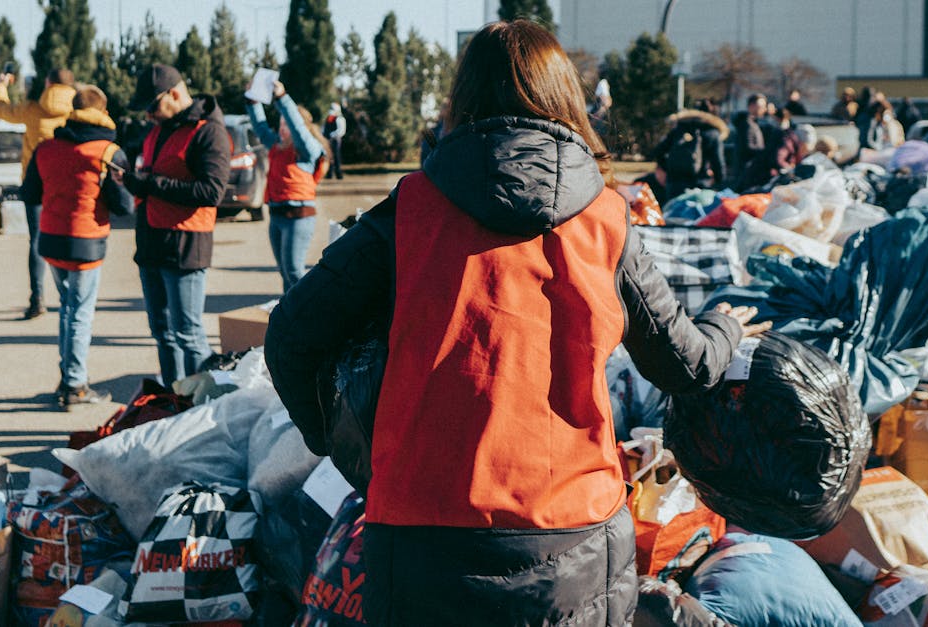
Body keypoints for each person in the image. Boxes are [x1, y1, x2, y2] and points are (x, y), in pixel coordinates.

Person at [264, 19, 768, 625]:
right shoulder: (606, 220)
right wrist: (726, 326)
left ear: (462, 100)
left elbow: (291, 338)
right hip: (573, 536)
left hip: (419, 537)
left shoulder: (408, 211)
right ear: (566, 99)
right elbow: (686, 364)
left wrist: (354, 453)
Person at [21, 85, 134, 408]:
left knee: (67, 308)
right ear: (103, 112)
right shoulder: (108, 152)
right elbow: (124, 205)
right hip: (86, 241)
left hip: (51, 238)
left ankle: (67, 376)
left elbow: (30, 193)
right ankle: (75, 384)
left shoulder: (46, 148)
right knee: (80, 312)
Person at [122, 64, 230, 385]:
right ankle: (174, 398)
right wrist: (133, 181)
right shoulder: (159, 130)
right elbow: (155, 178)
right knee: (162, 333)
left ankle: (201, 405)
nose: (149, 115)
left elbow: (212, 192)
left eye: (152, 106)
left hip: (185, 247)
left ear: (174, 94)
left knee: (187, 334)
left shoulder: (209, 132)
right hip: (151, 243)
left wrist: (151, 184)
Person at [0, 68, 76, 320]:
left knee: (37, 241)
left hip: (36, 184)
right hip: (68, 185)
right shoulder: (77, 111)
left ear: (48, 83)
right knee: (70, 237)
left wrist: (1, 85)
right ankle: (70, 296)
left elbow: (1, 109)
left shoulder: (32, 109)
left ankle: (37, 298)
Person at [246, 81, 330, 293]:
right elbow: (260, 127)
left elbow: (298, 129)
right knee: (285, 272)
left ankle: (308, 308)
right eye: (281, 124)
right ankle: (290, 311)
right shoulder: (276, 146)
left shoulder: (307, 150)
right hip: (276, 215)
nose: (283, 129)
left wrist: (282, 98)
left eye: (287, 125)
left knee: (294, 270)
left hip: (298, 217)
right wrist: (253, 101)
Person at [650, 99, 729, 200]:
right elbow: (718, 163)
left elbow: (658, 152)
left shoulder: (679, 129)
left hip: (675, 184)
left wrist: (668, 169)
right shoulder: (713, 133)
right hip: (701, 185)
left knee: (674, 208)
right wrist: (720, 185)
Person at [732, 93, 768, 185]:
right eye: (761, 106)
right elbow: (747, 147)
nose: (764, 109)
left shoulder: (752, 123)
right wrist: (765, 152)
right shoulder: (747, 124)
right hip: (747, 172)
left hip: (749, 171)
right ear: (751, 106)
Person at [322, 102, 347, 179]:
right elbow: (324, 128)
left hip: (335, 140)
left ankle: (338, 174)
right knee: (328, 157)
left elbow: (341, 131)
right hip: (327, 140)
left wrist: (332, 135)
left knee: (336, 157)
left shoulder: (340, 119)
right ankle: (329, 174)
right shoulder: (328, 118)